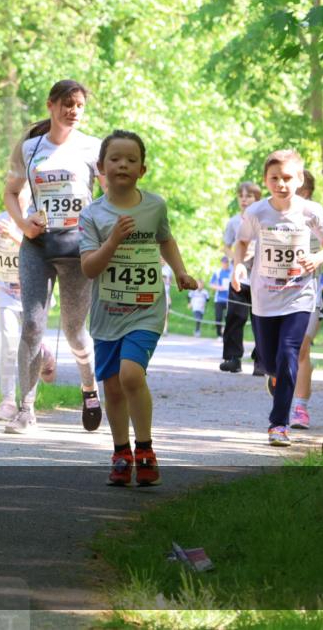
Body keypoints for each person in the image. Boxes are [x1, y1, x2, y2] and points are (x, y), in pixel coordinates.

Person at [80, 130, 198, 486]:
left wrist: (180, 270)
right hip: (106, 314)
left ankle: (145, 448)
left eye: (131, 160)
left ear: (142, 170)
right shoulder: (92, 215)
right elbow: (88, 268)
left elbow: (165, 238)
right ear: (101, 167)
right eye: (115, 159)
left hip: (146, 309)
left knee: (131, 375)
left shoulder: (154, 206)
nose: (123, 165)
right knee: (113, 387)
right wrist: (113, 240)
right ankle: (121, 451)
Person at [2, 80, 103, 435]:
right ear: (51, 105)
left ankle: (89, 389)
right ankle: (25, 409)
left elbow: (109, 196)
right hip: (38, 246)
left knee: (75, 332)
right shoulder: (30, 148)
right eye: (66, 104)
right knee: (31, 324)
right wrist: (21, 222)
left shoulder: (94, 148)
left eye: (79, 105)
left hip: (78, 250)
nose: (73, 111)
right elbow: (11, 193)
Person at [232, 150, 323, 446]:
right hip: (264, 297)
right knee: (270, 361)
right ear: (266, 181)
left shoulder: (311, 211)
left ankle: (278, 424)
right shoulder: (256, 214)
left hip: (299, 295)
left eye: (288, 178)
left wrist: (318, 258)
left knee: (290, 354)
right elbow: (241, 243)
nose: (281, 184)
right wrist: (239, 265)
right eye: (274, 178)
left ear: (300, 179)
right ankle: (277, 378)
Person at [0, 189, 59, 422]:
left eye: (22, 189)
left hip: (35, 289)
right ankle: (8, 401)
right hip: (6, 290)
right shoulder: (0, 220)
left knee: (31, 344)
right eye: (13, 189)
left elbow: (46, 254)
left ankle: (44, 356)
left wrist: (15, 235)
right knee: (10, 344)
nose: (17, 193)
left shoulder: (41, 220)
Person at [271, 171, 323, 429]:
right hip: (275, 294)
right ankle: (277, 374)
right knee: (277, 353)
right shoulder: (270, 213)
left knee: (301, 349)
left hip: (307, 292)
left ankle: (300, 407)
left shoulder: (313, 214)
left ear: (306, 191)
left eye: (292, 186)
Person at [220, 181, 264, 374]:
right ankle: (233, 358)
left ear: (257, 199)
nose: (245, 200)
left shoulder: (263, 221)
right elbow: (226, 246)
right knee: (235, 317)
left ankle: (261, 360)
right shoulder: (233, 222)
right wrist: (237, 259)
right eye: (242, 196)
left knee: (261, 320)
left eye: (249, 196)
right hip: (239, 277)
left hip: (261, 278)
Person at [209, 256, 232, 338]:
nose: (225, 264)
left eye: (227, 263)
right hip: (219, 298)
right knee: (218, 317)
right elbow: (211, 284)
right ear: (221, 263)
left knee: (229, 317)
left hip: (229, 299)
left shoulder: (231, 272)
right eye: (224, 262)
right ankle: (219, 334)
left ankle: (227, 334)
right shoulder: (217, 272)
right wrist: (219, 288)